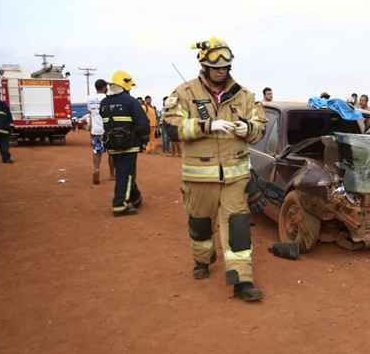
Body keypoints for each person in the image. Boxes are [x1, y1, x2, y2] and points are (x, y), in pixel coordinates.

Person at [163, 36, 267, 302]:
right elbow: (172, 128)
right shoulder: (184, 93)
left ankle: (242, 280)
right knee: (200, 226)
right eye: (216, 67)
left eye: (225, 66)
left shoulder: (245, 96)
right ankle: (202, 260)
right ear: (204, 66)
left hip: (235, 177)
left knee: (238, 227)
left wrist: (249, 128)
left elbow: (260, 126)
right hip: (198, 179)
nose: (221, 70)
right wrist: (206, 126)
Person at [100, 70, 149, 216]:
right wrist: (144, 140)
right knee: (126, 174)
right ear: (125, 84)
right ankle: (119, 204)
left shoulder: (104, 103)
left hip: (112, 146)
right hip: (129, 145)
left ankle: (135, 198)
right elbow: (143, 123)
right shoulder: (130, 101)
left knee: (122, 171)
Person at [87, 79, 114, 184]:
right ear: (104, 87)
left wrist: (90, 130)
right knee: (111, 152)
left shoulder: (89, 99)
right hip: (108, 129)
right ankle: (112, 174)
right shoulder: (108, 98)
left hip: (96, 130)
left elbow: (91, 114)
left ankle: (96, 170)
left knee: (96, 152)